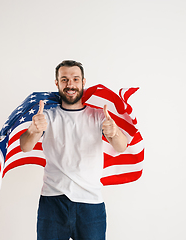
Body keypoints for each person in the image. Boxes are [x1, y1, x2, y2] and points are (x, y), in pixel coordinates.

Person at [20, 60, 128, 240]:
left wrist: (114, 132)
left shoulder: (98, 116)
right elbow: (25, 146)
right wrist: (33, 129)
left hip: (90, 205)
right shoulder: (47, 116)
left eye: (75, 79)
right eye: (64, 79)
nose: (70, 84)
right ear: (57, 83)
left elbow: (121, 146)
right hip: (53, 202)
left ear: (83, 82)